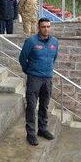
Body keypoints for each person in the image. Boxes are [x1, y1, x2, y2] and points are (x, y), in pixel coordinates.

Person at [18, 18, 59, 146]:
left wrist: (47, 70)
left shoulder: (55, 42)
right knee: (31, 106)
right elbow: (22, 58)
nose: (46, 29)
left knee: (44, 105)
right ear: (38, 27)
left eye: (48, 26)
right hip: (34, 79)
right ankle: (30, 133)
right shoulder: (31, 42)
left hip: (47, 79)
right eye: (43, 27)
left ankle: (42, 129)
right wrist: (29, 71)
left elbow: (54, 58)